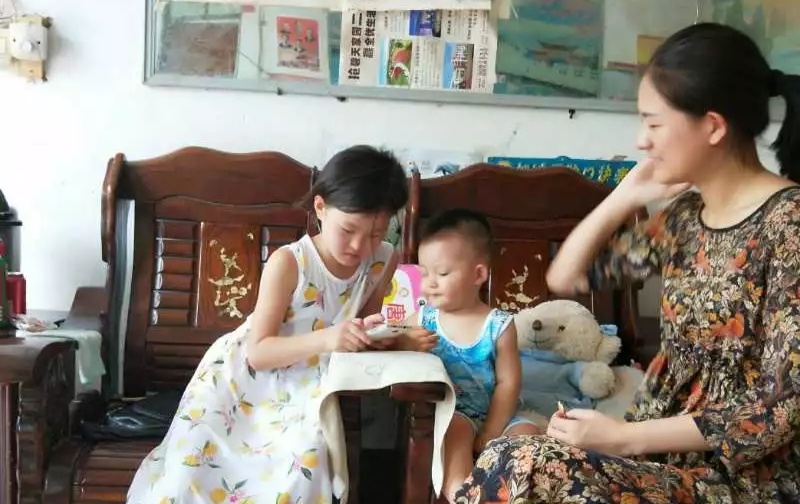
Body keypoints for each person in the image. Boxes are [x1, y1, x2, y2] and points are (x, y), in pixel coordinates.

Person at [455, 22, 800, 503]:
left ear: (713, 127)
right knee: (507, 456)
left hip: (743, 478)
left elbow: (782, 408)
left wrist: (623, 438)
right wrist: (624, 196)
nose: (642, 140)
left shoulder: (789, 224)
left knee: (525, 464)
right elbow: (566, 275)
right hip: (660, 461)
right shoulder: (685, 217)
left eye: (654, 124)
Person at [127, 145, 432, 503]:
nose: (360, 246)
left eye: (376, 234)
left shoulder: (383, 260)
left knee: (302, 470)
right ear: (320, 207)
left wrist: (386, 338)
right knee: (190, 471)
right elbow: (257, 353)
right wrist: (329, 338)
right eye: (349, 229)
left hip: (307, 388)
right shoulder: (289, 263)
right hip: (239, 381)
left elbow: (360, 329)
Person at [408, 208, 540, 503]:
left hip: (501, 413)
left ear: (478, 274)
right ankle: (463, 494)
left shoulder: (499, 325)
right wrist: (405, 340)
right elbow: (391, 339)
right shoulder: (424, 319)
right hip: (456, 412)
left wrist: (492, 430)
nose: (430, 282)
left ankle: (510, 495)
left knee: (530, 437)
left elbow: (508, 383)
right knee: (455, 436)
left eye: (442, 274)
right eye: (424, 273)